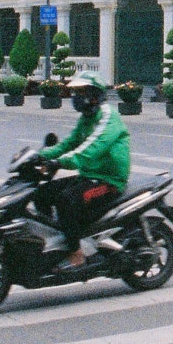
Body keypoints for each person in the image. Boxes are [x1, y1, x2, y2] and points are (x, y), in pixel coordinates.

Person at [36, 73, 130, 271]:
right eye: (75, 92)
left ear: (95, 94)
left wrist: (60, 162)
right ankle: (58, 240)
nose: (76, 97)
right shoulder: (86, 117)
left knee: (66, 200)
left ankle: (75, 251)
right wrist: (39, 156)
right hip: (89, 176)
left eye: (81, 92)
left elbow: (91, 148)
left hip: (109, 180)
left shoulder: (107, 116)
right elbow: (69, 143)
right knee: (41, 194)